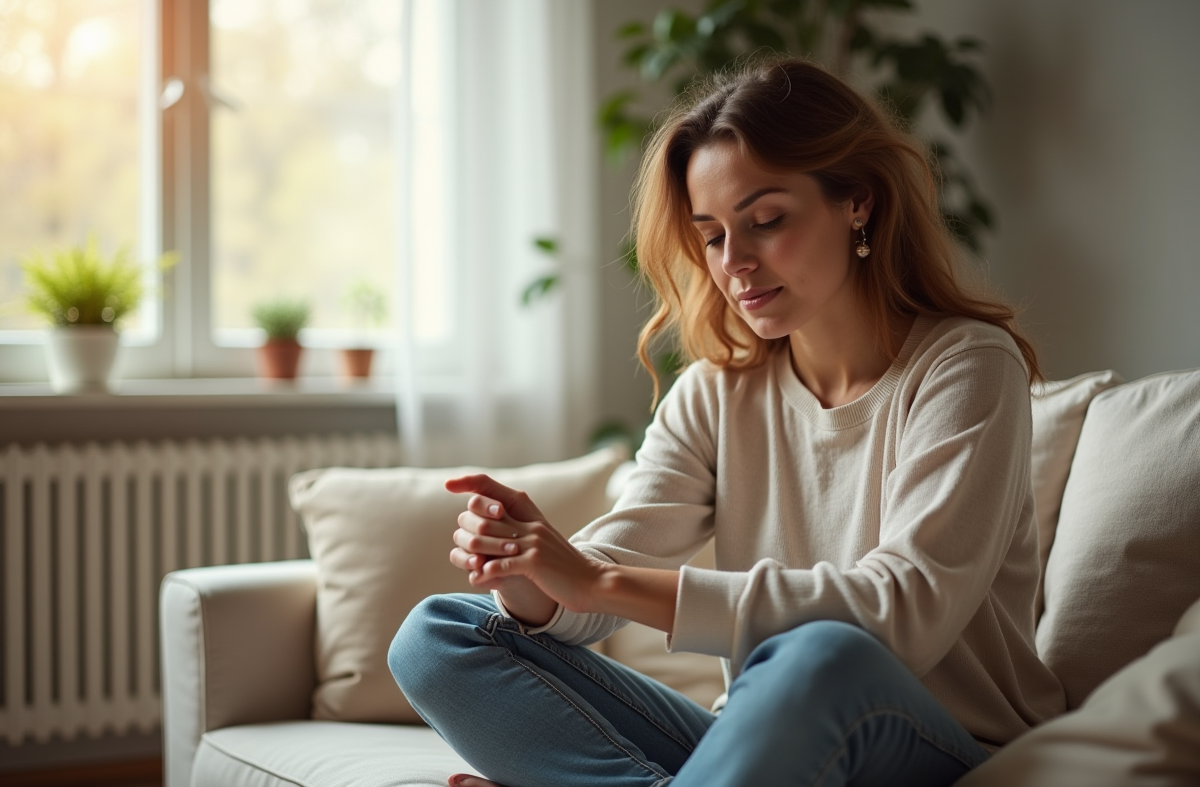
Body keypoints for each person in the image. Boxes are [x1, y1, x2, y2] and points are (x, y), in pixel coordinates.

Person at [388, 58, 1066, 787]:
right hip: (764, 741)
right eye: (711, 235)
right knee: (438, 635)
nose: (735, 261)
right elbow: (601, 573)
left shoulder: (966, 366)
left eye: (766, 221)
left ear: (858, 203)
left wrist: (598, 583)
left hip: (936, 749)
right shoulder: (716, 391)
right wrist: (526, 568)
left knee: (818, 655)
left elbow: (903, 614)